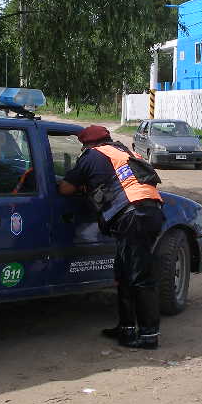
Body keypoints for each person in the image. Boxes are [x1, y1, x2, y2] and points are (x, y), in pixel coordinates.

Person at [58, 124, 165, 349]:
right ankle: (126, 329)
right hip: (149, 211)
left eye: (83, 145)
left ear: (89, 143)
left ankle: (148, 336)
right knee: (124, 273)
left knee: (139, 276)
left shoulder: (93, 155)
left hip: (134, 215)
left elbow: (66, 189)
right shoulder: (125, 152)